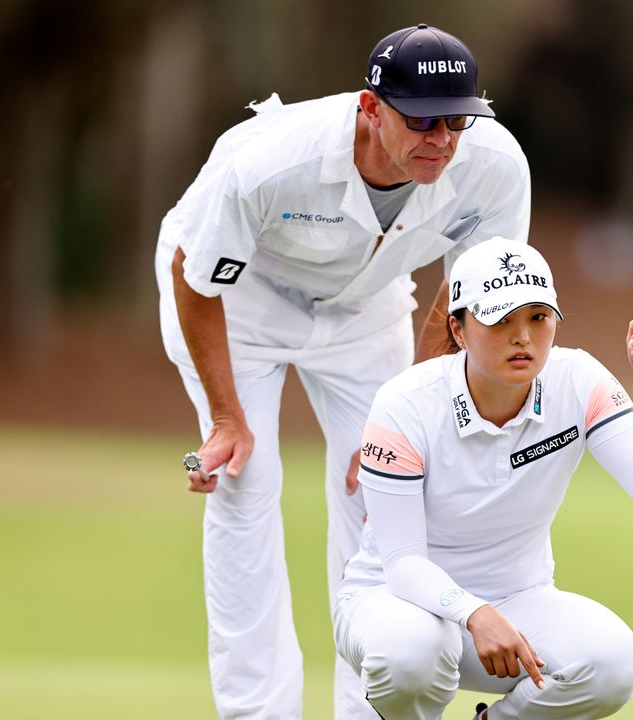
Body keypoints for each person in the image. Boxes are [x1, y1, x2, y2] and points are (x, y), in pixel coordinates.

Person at [153, 23, 531, 720]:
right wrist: (229, 420)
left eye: (456, 121)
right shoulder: (271, 162)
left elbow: (466, 300)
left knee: (384, 492)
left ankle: (371, 710)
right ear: (370, 109)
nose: (441, 139)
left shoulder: (495, 166)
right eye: (420, 120)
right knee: (247, 480)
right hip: (240, 304)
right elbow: (196, 276)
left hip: (364, 307)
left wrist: (411, 419)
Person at [333, 238, 633, 720]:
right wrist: (475, 613)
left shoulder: (579, 379)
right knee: (411, 655)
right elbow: (402, 563)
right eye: (501, 320)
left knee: (613, 664)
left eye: (538, 318)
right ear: (458, 329)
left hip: (520, 602)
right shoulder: (406, 401)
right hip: (395, 604)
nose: (523, 337)